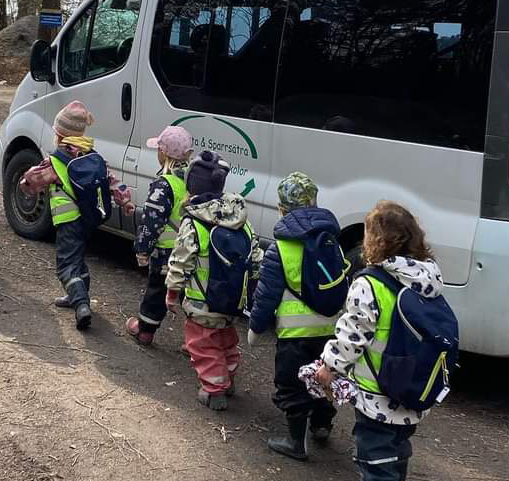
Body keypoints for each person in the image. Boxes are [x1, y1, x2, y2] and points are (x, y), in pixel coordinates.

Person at [315, 201, 442, 481]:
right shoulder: (428, 279)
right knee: (397, 453)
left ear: (375, 241)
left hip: (378, 394)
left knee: (374, 461)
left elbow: (352, 335)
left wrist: (328, 367)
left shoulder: (370, 284)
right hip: (413, 388)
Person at [248, 172, 348, 461]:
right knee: (324, 378)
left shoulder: (280, 248)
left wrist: (256, 327)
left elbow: (266, 294)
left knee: (293, 384)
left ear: (282, 208)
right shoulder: (332, 241)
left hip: (296, 335)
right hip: (330, 330)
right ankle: (321, 425)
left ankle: (296, 441)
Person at [20, 101, 133, 330]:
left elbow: (32, 182)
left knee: (66, 264)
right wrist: (126, 201)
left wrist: (24, 183)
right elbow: (112, 182)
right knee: (77, 256)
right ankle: (77, 297)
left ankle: (81, 303)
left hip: (68, 220)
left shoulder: (55, 161)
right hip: (89, 218)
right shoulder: (93, 156)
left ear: (59, 134)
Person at [165, 151, 262, 411]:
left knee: (203, 345)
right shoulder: (241, 221)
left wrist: (172, 292)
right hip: (233, 300)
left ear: (191, 187)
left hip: (201, 301)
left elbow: (180, 261)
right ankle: (228, 377)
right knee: (226, 338)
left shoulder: (194, 223)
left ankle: (215, 388)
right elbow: (256, 259)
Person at [125, 126, 194, 346]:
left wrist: (142, 249)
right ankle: (197, 342)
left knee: (157, 291)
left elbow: (151, 221)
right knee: (191, 298)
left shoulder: (164, 185)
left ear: (164, 154)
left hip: (167, 254)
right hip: (193, 251)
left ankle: (145, 330)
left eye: (158, 149)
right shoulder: (195, 182)